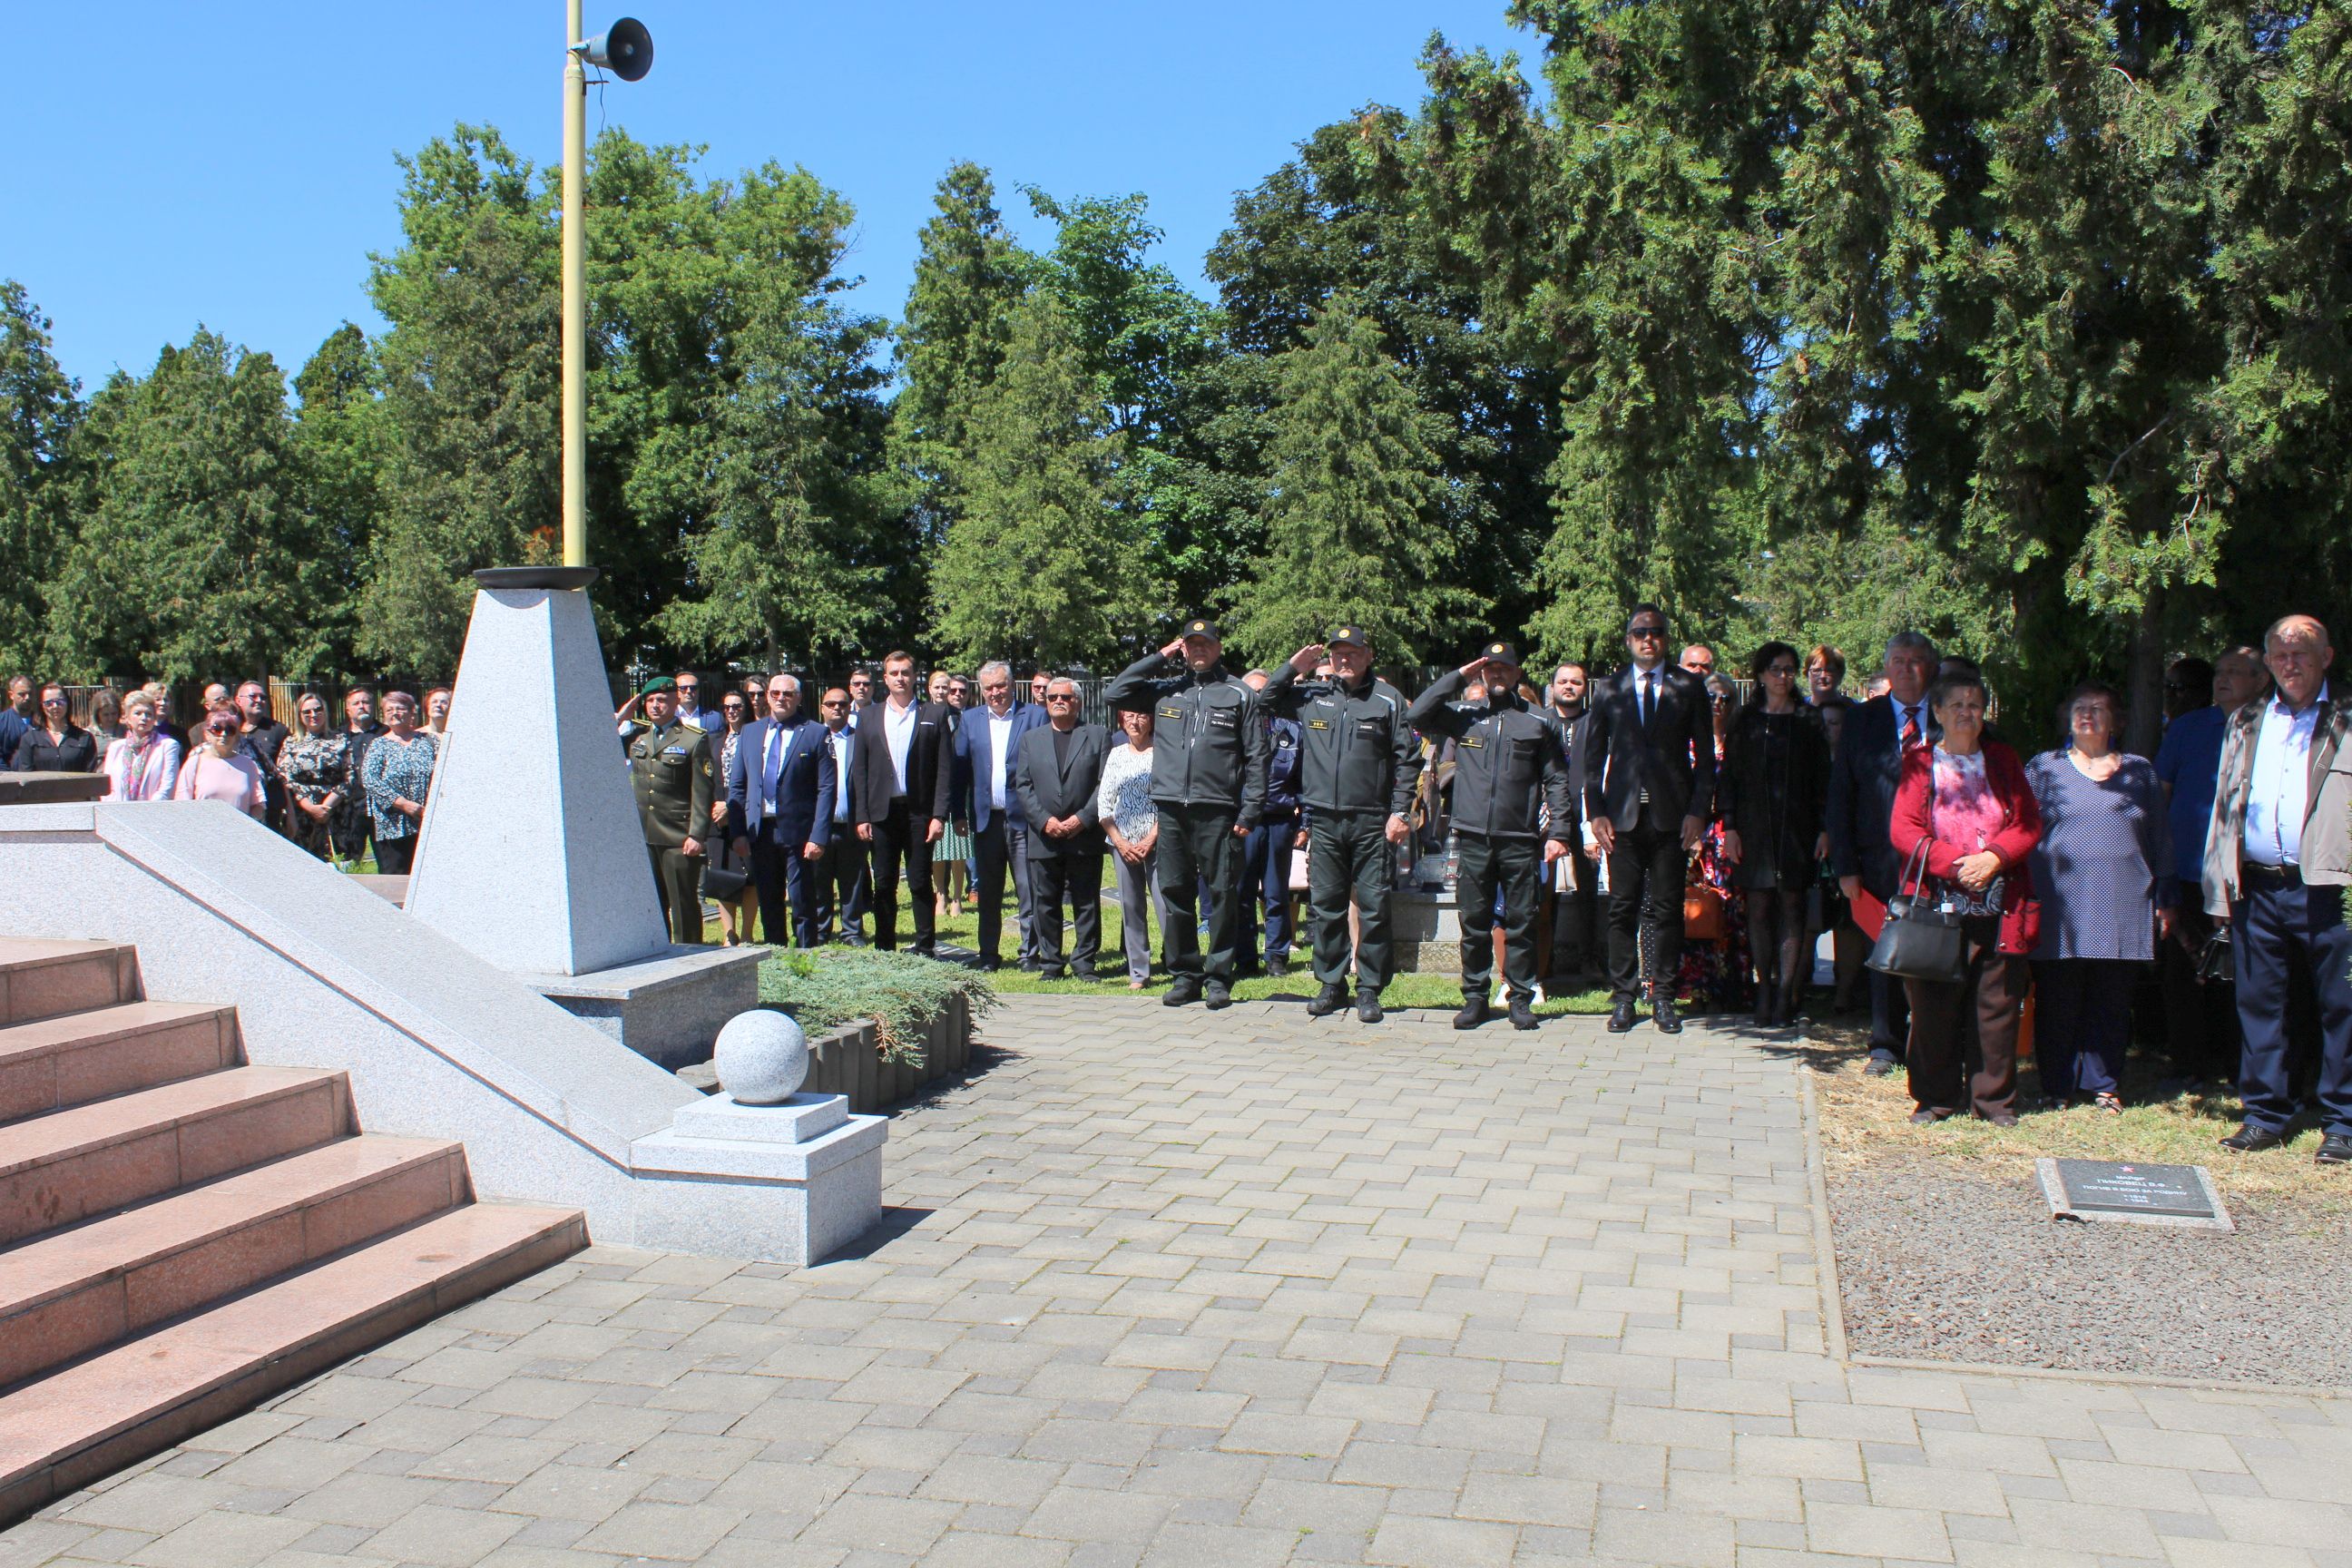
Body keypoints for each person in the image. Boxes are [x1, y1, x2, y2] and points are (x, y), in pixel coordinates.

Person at [2202, 614, 2352, 1164]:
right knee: (2260, 1004)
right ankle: (2265, 1114)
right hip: (2258, 887)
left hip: (2331, 886)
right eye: (2281, 655)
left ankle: (2344, 1122)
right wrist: (2218, 887)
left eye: (2302, 653)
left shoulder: (2347, 717)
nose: (2291, 664)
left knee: (2343, 1007)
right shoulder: (2246, 720)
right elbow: (2224, 805)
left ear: (2325, 658)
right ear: (2267, 664)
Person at [1887, 670, 2040, 1125]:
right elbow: (1904, 830)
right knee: (1932, 1006)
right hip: (1937, 905)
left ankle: (1993, 1102)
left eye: (1974, 705)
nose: (1966, 713)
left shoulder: (2003, 759)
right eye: (1956, 704)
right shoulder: (1919, 762)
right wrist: (1957, 864)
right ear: (1937, 711)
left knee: (1996, 1007)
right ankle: (1935, 1098)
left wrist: (1993, 858)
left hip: (1999, 901)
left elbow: (2028, 822)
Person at [1104, 618, 1269, 1009]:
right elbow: (1115, 692)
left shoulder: (1239, 694)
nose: (1199, 649)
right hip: (1171, 809)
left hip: (1219, 811)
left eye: (1205, 643)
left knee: (1222, 894)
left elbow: (1257, 756)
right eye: (1191, 644)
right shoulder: (1166, 691)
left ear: (1218, 647)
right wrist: (1160, 656)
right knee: (1175, 893)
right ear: (1183, 649)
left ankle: (1218, 977)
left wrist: (1249, 811)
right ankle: (1185, 975)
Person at [1409, 642, 1573, 1029]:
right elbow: (1416, 713)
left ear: (1517, 673)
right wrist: (1459, 676)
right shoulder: (1464, 715)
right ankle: (1475, 997)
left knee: (1521, 920)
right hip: (1473, 836)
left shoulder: (1538, 721)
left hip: (1519, 838)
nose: (1497, 674)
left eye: (1504, 668)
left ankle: (1520, 997)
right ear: (1482, 672)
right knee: (1474, 921)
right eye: (1490, 668)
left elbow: (1556, 780)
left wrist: (1559, 832)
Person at [2026, 681, 2173, 1112]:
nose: (2087, 715)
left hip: (2123, 900)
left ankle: (2103, 1084)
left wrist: (2167, 895)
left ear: (2116, 722)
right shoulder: (2043, 768)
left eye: (2098, 708)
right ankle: (2056, 1085)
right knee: (2058, 998)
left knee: (2112, 999)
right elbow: (2022, 831)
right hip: (2061, 902)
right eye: (2079, 708)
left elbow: (2160, 837)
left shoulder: (2140, 771)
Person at [1261, 627, 1422, 1022]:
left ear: (1368, 655)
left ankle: (1369, 989)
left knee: (1373, 907)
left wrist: (1401, 812)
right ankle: (1331, 984)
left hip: (1372, 820)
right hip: (1324, 819)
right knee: (1327, 907)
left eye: (1352, 652)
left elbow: (1408, 758)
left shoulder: (1387, 699)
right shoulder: (1313, 695)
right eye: (1338, 653)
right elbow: (1265, 701)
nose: (1344, 659)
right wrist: (1292, 668)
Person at [1583, 604, 1718, 1034]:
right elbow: (1592, 759)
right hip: (1621, 817)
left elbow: (1705, 759)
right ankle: (1624, 997)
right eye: (1640, 632)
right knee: (1621, 908)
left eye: (1656, 632)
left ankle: (1663, 997)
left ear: (1665, 639)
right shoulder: (1610, 688)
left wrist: (1698, 812)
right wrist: (1596, 813)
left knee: (1667, 910)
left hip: (1671, 817)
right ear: (1628, 639)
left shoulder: (1687, 686)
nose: (1648, 639)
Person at [1828, 632, 1940, 1073]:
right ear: (1887, 667)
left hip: (1936, 854)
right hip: (1878, 857)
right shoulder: (1862, 719)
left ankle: (1931, 1039)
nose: (1906, 668)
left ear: (1929, 667)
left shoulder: (1947, 713)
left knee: (1936, 947)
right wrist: (1845, 865)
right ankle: (1885, 1045)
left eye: (1915, 660)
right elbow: (1842, 793)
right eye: (1898, 660)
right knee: (1884, 948)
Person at [2155, 646, 2266, 1084]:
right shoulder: (2187, 727)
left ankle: (2240, 1065)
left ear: (2261, 680)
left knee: (2244, 974)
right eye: (2220, 671)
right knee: (2183, 973)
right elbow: (2161, 795)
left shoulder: (2272, 729)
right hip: (2187, 870)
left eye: (2235, 672)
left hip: (2246, 875)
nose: (2223, 679)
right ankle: (2188, 1065)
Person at [1722, 643, 1833, 1027]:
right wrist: (1730, 826)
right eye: (1775, 669)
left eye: (1788, 670)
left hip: (1798, 829)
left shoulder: (1808, 718)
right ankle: (1764, 991)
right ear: (1760, 674)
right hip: (1753, 828)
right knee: (1759, 909)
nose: (1782, 677)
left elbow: (1823, 778)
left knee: (1792, 907)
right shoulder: (1745, 718)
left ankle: (1787, 994)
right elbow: (1730, 776)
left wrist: (1824, 828)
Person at [851, 652, 956, 955]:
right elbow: (860, 770)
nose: (900, 678)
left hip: (919, 812)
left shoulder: (934, 714)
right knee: (884, 882)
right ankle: (885, 947)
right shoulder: (869, 717)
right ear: (885, 679)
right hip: (881, 813)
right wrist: (862, 816)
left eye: (906, 672)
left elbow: (944, 769)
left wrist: (939, 815)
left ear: (914, 677)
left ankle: (925, 947)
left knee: (920, 881)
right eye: (894, 673)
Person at [726, 673, 834, 949]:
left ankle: (807, 955)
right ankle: (775, 955)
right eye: (775, 693)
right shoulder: (750, 732)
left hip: (799, 831)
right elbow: (737, 786)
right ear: (767, 696)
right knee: (769, 899)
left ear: (798, 698)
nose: (780, 698)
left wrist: (818, 836)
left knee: (801, 899)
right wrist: (738, 832)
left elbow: (826, 788)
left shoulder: (815, 732)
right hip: (761, 830)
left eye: (787, 694)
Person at [955, 662, 1048, 970]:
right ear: (981, 690)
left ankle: (1029, 954)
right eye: (989, 688)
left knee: (1028, 890)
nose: (995, 692)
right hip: (986, 821)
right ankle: (988, 954)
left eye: (1000, 685)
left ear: (1012, 685)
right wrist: (958, 813)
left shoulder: (1035, 716)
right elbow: (960, 772)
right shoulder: (970, 720)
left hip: (1024, 820)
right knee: (989, 892)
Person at [1015, 677, 1111, 980]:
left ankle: (1084, 963)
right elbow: (1023, 785)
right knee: (1045, 903)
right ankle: (1051, 963)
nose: (1058, 701)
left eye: (1066, 697)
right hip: (1044, 836)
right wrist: (1045, 821)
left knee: (1086, 902)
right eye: (1053, 697)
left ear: (1077, 702)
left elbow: (1105, 784)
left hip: (1084, 834)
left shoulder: (1098, 736)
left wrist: (1082, 818)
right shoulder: (1031, 739)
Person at [624, 678, 716, 944]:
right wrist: (623, 715)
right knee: (652, 905)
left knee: (683, 905)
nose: (655, 705)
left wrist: (696, 834)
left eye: (662, 700)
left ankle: (690, 954)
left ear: (676, 702)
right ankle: (659, 953)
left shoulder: (693, 739)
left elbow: (702, 791)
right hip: (645, 835)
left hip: (678, 835)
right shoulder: (639, 738)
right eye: (650, 700)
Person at [1237, 669, 1303, 980]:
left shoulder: (1293, 730)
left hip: (1279, 820)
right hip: (1243, 823)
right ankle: (1245, 956)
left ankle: (1277, 955)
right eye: (1252, 692)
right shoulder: (1232, 730)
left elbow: (1302, 780)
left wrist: (1305, 822)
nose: (1258, 697)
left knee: (1276, 893)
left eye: (1263, 690)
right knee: (1242, 892)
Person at [1098, 708, 1166, 989]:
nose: (1135, 722)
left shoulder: (1163, 753)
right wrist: (1120, 842)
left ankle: (1179, 964)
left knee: (1165, 904)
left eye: (1141, 716)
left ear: (1151, 720)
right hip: (1122, 844)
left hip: (1158, 841)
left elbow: (1170, 801)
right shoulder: (1116, 754)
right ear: (1121, 721)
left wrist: (1151, 838)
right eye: (1129, 717)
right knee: (1131, 906)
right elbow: (1104, 803)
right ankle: (1139, 972)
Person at [1544, 662, 1602, 988]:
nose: (1569, 686)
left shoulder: (1596, 723)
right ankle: (1544, 959)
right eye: (1563, 681)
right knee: (1543, 887)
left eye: (1576, 682)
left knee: (1588, 889)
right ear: (1552, 687)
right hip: (1546, 813)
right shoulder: (1540, 721)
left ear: (1585, 688)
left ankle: (1589, 960)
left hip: (1586, 813)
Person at [359, 692, 436, 873]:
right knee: (397, 878)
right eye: (389, 710)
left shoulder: (429, 741)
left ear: (411, 712)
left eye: (400, 708)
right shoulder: (378, 745)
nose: (395, 713)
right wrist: (404, 804)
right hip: (393, 826)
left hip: (427, 822)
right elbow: (370, 780)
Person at [706, 691, 760, 946]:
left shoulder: (755, 738)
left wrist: (731, 807)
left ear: (745, 708)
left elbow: (756, 780)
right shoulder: (714, 741)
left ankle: (747, 933)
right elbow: (707, 780)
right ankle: (729, 934)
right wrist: (717, 807)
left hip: (746, 813)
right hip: (717, 814)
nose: (732, 711)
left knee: (750, 877)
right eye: (727, 707)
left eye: (737, 706)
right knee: (722, 875)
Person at [814, 687, 867, 943]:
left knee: (852, 881)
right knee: (818, 881)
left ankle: (852, 931)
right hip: (818, 827)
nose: (837, 708)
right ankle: (820, 930)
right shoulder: (812, 738)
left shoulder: (861, 739)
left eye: (843, 704)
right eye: (831, 704)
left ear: (849, 708)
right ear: (822, 708)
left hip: (851, 823)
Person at [277, 694, 350, 860]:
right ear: (299, 715)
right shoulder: (291, 743)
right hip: (301, 814)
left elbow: (350, 776)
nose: (313, 715)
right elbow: (285, 777)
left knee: (337, 863)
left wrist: (326, 807)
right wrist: (309, 807)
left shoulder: (340, 740)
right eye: (307, 712)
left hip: (334, 812)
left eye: (318, 710)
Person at [172, 707, 269, 818]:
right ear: (207, 734)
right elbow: (182, 804)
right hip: (203, 827)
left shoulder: (248, 764)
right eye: (217, 729)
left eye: (230, 730)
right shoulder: (194, 763)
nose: (224, 734)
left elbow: (258, 804)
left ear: (237, 735)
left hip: (239, 827)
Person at [331, 688, 385, 864]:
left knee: (389, 865)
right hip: (349, 809)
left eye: (366, 702)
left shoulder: (386, 734)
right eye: (356, 703)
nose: (361, 706)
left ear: (373, 706)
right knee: (348, 863)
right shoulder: (336, 737)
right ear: (348, 709)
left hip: (381, 810)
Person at [102, 690, 181, 802]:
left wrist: (145, 810)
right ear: (127, 718)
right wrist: (115, 808)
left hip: (154, 809)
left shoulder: (168, 746)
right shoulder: (116, 748)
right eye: (137, 713)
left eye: (149, 714)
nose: (144, 718)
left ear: (154, 719)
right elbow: (108, 788)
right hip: (118, 809)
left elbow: (167, 787)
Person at [232, 681, 290, 831]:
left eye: (263, 697)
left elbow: (284, 776)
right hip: (236, 806)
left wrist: (291, 814)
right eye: (253, 696)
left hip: (270, 809)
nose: (259, 700)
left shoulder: (277, 730)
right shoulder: (228, 730)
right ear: (238, 700)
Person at [10, 683, 99, 772]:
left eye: (60, 702)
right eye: (48, 703)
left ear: (68, 703)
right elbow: (26, 775)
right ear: (42, 706)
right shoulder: (30, 739)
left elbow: (91, 775)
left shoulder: (85, 738)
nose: (55, 706)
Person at [0, 676, 34, 762]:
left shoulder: (42, 722)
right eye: (22, 694)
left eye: (30, 693)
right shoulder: (2, 722)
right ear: (11, 695)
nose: (27, 697)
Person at [1806, 645, 1848, 710]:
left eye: (1829, 671)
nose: (1822, 676)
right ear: (1807, 674)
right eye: (1816, 671)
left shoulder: (1856, 710)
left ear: (1840, 675)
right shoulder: (1796, 709)